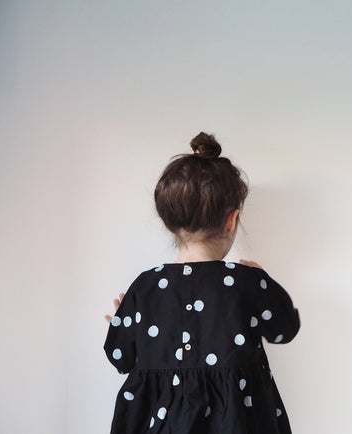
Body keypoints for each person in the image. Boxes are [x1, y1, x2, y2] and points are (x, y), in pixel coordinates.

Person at [103, 132, 301, 434]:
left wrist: (122, 322)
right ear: (231, 220)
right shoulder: (246, 282)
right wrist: (264, 280)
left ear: (170, 222)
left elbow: (120, 357)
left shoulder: (144, 287)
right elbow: (285, 329)